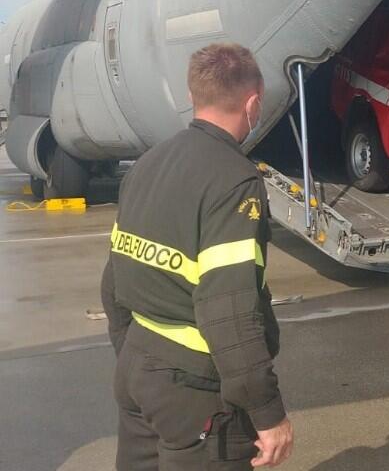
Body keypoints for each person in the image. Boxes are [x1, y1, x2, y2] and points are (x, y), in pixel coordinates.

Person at [101, 43, 293, 470]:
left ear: (192, 96)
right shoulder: (234, 181)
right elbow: (230, 309)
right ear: (253, 103)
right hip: (192, 385)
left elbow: (114, 276)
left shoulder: (147, 164)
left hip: (136, 367)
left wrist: (130, 349)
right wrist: (266, 412)